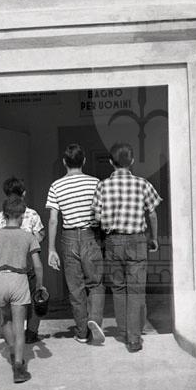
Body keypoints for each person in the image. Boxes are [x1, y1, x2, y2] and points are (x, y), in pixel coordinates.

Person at [92, 143, 161, 353]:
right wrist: (154, 238)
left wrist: (109, 219)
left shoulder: (102, 186)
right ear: (131, 161)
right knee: (136, 289)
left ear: (111, 162)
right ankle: (134, 338)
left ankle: (123, 331)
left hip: (113, 240)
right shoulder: (142, 184)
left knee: (119, 288)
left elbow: (96, 217)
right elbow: (152, 214)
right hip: (137, 240)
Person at [46, 143, 105, 345]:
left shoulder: (56, 186)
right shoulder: (95, 183)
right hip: (90, 236)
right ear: (84, 161)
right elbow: (101, 213)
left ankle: (81, 332)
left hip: (69, 237)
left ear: (64, 162)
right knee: (95, 283)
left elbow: (53, 220)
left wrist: (51, 249)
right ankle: (94, 320)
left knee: (75, 287)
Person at [0, 195, 44, 383]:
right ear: (22, 216)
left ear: (4, 215)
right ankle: (18, 366)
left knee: (5, 321)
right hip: (19, 279)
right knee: (19, 326)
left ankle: (11, 349)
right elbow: (38, 265)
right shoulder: (28, 237)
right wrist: (39, 286)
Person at [0, 176, 45, 344]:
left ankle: (12, 336)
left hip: (6, 270)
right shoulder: (32, 214)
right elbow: (40, 235)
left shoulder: (1, 216)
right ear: (24, 193)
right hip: (27, 267)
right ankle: (31, 333)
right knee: (35, 300)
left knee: (9, 306)